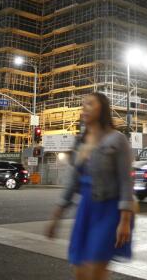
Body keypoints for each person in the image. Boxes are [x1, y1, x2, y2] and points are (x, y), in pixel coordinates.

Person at [46, 92, 135, 280]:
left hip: (110, 210)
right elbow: (71, 184)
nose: (84, 107)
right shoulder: (80, 142)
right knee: (79, 270)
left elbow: (126, 181)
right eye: (83, 104)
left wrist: (125, 221)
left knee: (95, 270)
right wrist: (56, 218)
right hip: (86, 210)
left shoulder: (117, 139)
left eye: (90, 104)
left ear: (102, 108)